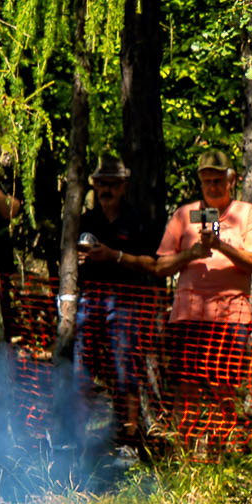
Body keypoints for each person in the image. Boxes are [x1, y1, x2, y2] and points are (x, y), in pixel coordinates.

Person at [128, 149, 252, 429]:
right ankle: (182, 444)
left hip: (232, 315)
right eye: (207, 181)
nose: (212, 187)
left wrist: (220, 246)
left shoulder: (246, 213)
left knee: (223, 383)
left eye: (218, 180)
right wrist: (191, 254)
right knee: (186, 384)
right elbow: (161, 266)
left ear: (231, 180)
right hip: (188, 314)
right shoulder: (184, 214)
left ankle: (223, 445)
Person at [72, 154, 163, 439]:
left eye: (112, 184)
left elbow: (153, 264)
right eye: (101, 184)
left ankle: (128, 438)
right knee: (81, 371)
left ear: (123, 186)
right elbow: (66, 257)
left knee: (126, 369)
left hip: (125, 304)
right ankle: (78, 437)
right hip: (88, 301)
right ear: (94, 185)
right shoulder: (85, 220)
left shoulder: (138, 222)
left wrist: (115, 256)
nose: (106, 190)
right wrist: (76, 260)